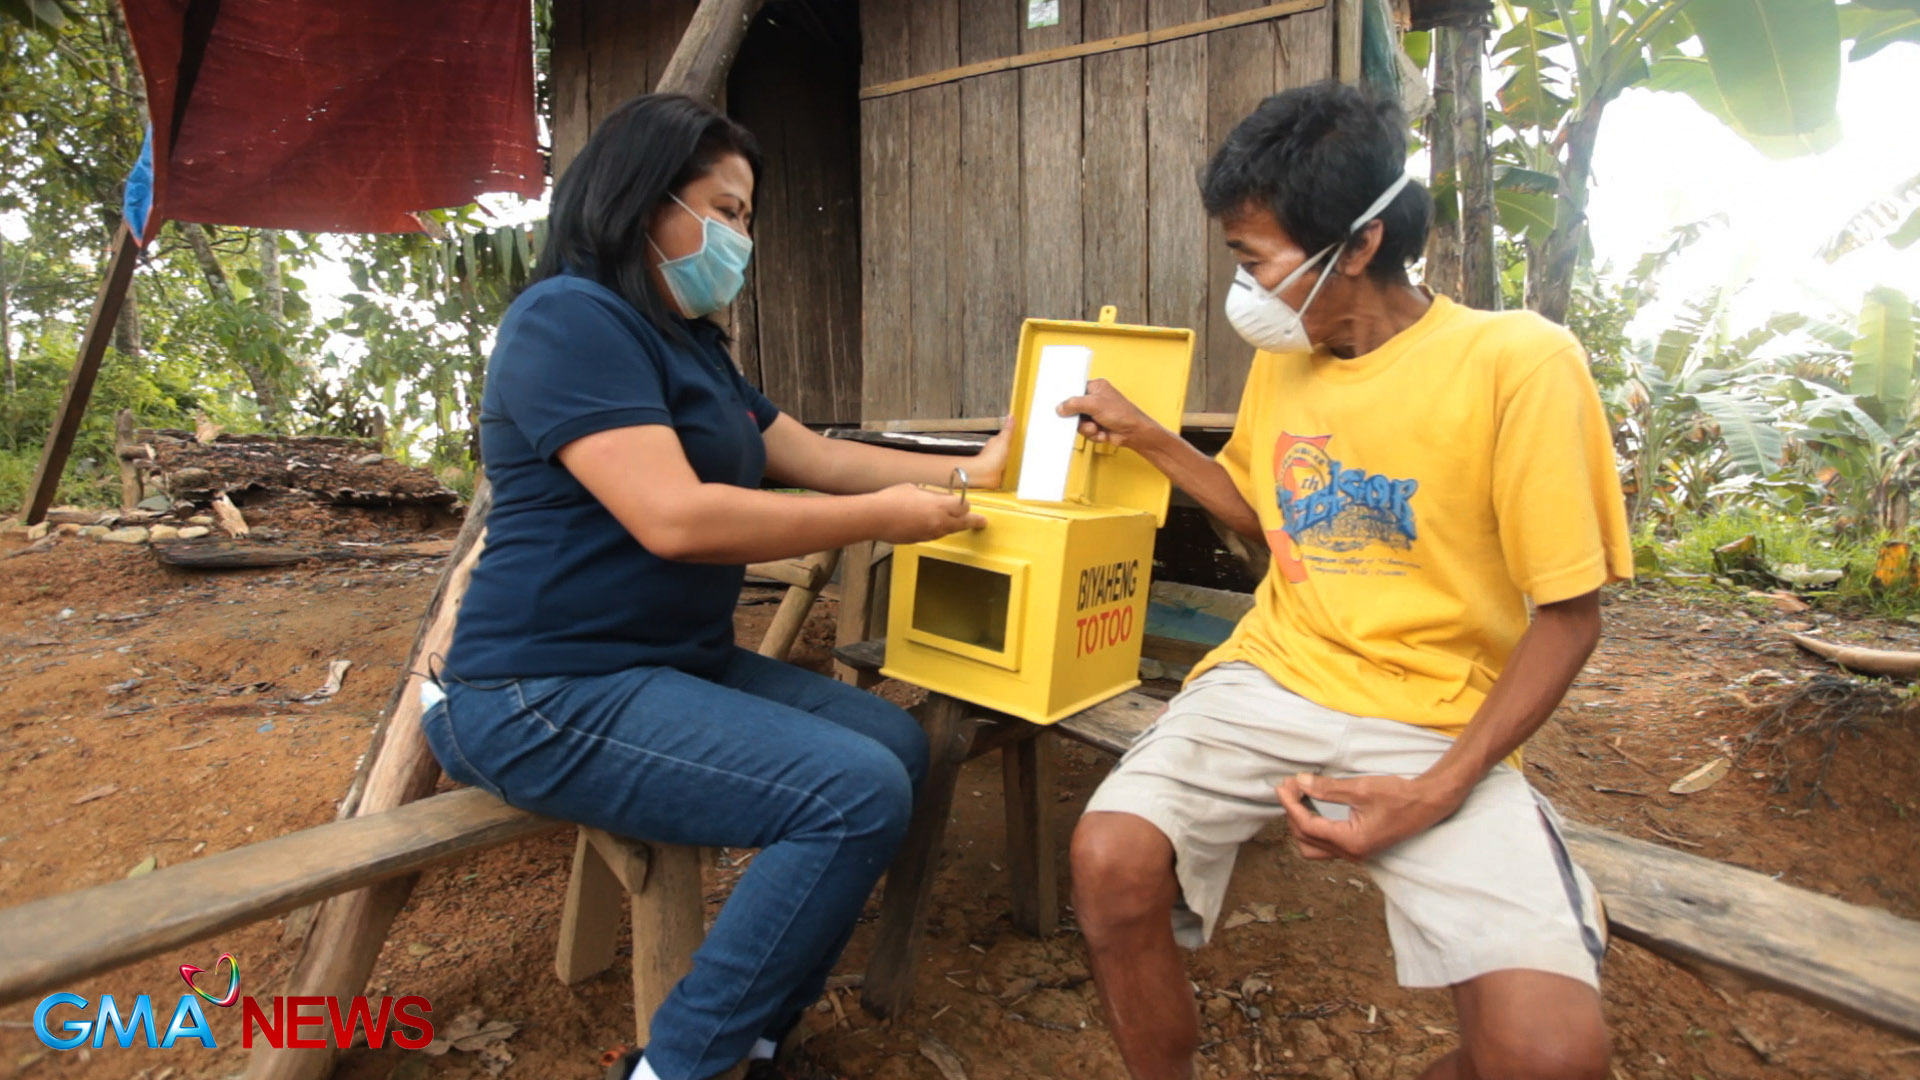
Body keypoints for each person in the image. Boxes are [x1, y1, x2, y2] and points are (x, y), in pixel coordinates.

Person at [422, 93, 1010, 1080]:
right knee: (851, 793)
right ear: (640, 201)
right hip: (541, 689)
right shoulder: (567, 321)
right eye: (723, 210)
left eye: (747, 216)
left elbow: (816, 455)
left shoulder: (688, 344)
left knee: (895, 748)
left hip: (663, 664)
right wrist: (893, 514)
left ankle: (759, 1032)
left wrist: (971, 471)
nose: (742, 235)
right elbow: (677, 517)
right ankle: (678, 1067)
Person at [1056, 81, 1632, 1080]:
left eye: (1254, 260)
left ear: (1358, 245)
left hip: (1442, 721)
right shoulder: (1293, 354)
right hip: (1275, 676)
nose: (1243, 289)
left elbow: (1569, 620)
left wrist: (1436, 790)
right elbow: (1258, 507)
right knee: (1110, 858)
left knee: (1549, 1057)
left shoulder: (1520, 364)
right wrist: (1147, 435)